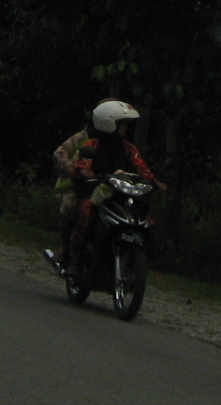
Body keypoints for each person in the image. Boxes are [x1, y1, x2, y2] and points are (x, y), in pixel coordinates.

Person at [48, 99, 158, 277]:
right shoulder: (88, 141)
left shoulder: (128, 147)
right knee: (83, 211)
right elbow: (77, 162)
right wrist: (82, 173)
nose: (125, 127)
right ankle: (73, 258)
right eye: (121, 123)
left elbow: (141, 167)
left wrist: (154, 182)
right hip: (93, 192)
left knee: (146, 217)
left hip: (120, 193)